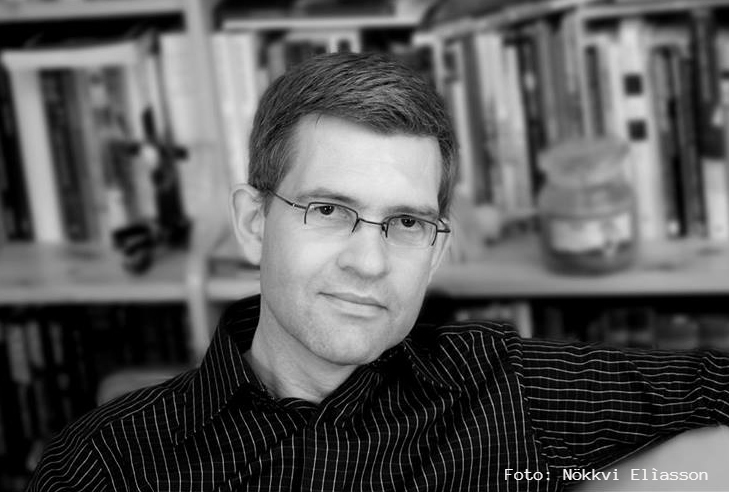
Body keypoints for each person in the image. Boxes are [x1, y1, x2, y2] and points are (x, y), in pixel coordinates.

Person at [28, 51, 729, 492]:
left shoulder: (504, 391)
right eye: (330, 210)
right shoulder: (103, 467)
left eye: (407, 223)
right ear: (253, 222)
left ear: (436, 248)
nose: (369, 262)